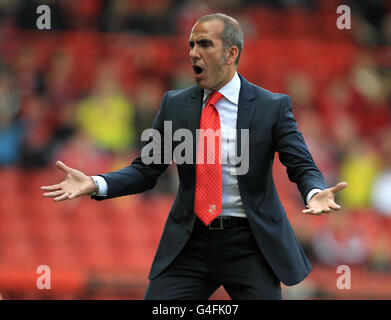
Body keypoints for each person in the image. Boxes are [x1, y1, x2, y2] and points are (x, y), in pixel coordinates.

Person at [41, 13, 347, 300]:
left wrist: (314, 191)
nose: (193, 53)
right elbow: (147, 170)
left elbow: (301, 164)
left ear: (231, 54)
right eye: (191, 44)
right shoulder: (175, 105)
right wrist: (96, 183)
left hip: (249, 243)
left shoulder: (271, 107)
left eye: (204, 44)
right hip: (191, 241)